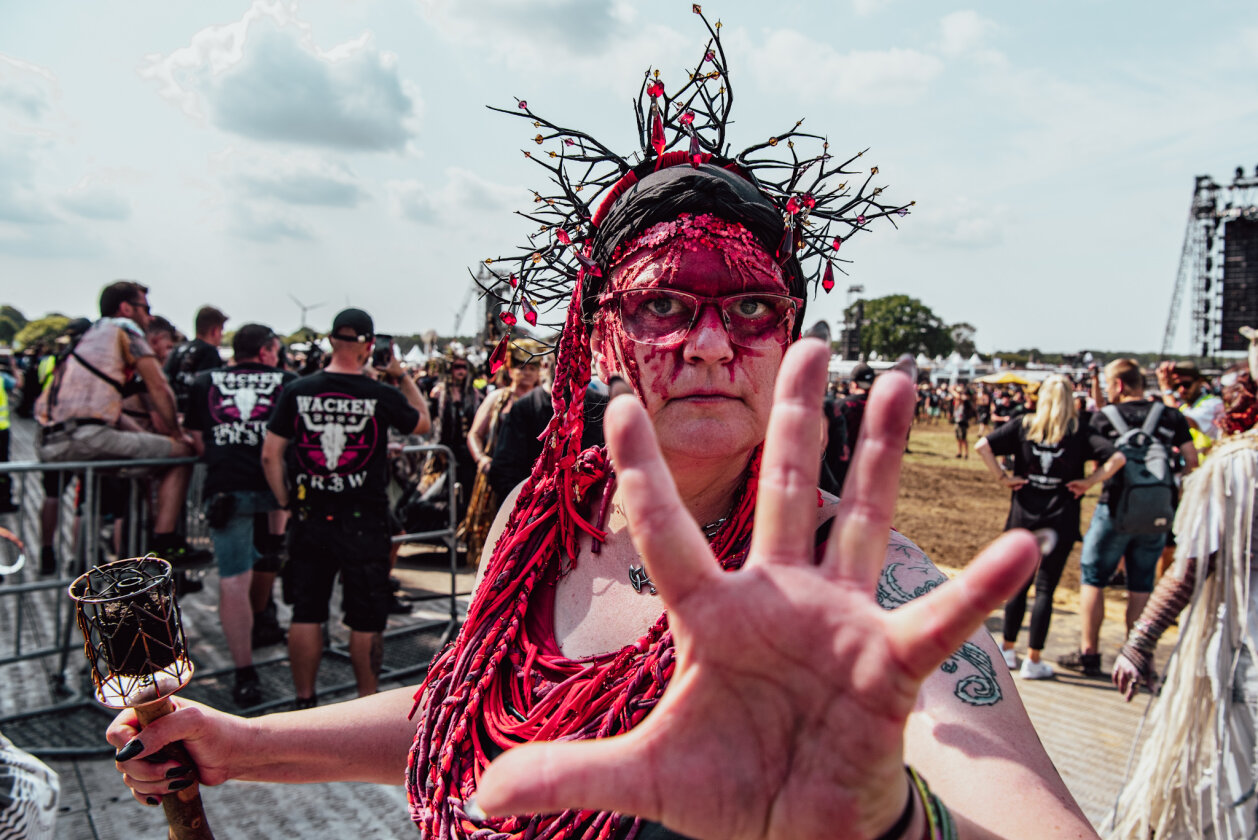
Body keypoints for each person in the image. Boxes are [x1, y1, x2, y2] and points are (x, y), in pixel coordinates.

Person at [107, 20, 1095, 840]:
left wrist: (890, 822)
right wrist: (243, 747)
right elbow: (471, 717)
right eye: (665, 304)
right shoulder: (540, 531)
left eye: (751, 308)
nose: (710, 345)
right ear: (601, 339)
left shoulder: (861, 593)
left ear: (792, 337)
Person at [1108, 361, 1258, 839]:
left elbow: (1191, 565)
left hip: (1245, 648)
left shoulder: (1238, 466)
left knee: (1236, 785)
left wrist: (1139, 641)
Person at [261, 308, 430, 706]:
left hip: (311, 517)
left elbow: (271, 455)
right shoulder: (380, 393)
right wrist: (401, 375)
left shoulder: (298, 391)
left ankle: (305, 701)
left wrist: (286, 500)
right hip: (364, 520)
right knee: (366, 618)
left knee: (307, 612)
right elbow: (422, 422)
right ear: (370, 345)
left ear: (332, 340)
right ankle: (365, 702)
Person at [34, 281, 207, 565]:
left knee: (148, 464)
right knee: (183, 454)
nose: (149, 317)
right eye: (145, 308)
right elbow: (159, 386)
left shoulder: (91, 336)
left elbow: (112, 410)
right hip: (85, 437)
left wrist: (153, 439)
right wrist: (178, 437)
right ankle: (164, 541)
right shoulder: (125, 329)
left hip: (53, 437)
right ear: (126, 308)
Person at [976, 374, 1126, 679]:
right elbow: (1117, 458)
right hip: (1061, 517)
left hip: (1024, 515)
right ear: (1070, 399)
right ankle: (1033, 658)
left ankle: (1007, 650)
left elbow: (983, 445)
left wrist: (1002, 478)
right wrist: (1088, 483)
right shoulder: (1077, 430)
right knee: (1046, 587)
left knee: (1018, 583)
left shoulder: (1024, 425)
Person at [1058, 358, 1197, 677]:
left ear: (1118, 385)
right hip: (1158, 514)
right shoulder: (1170, 415)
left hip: (1115, 508)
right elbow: (1191, 460)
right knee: (1141, 584)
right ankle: (1136, 655)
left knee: (1093, 578)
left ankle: (1089, 653)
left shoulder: (1103, 418)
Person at [185, 324, 296, 707]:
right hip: (274, 484)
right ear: (266, 351)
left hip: (226, 486)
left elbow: (198, 441)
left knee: (232, 580)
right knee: (272, 552)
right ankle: (264, 619)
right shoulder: (287, 380)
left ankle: (244, 672)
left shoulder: (204, 381)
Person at [459, 338, 544, 563]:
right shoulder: (497, 398)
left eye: (532, 368)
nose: (526, 373)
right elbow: (475, 434)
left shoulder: (544, 401)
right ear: (510, 369)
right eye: (521, 367)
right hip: (499, 476)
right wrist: (482, 460)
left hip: (534, 477)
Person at [164, 305, 227, 417]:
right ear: (214, 331)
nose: (221, 336)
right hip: (193, 417)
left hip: (171, 411)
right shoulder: (210, 352)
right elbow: (207, 390)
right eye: (221, 331)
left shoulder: (178, 349)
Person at [951, 385, 975, 459]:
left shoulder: (965, 400)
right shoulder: (959, 400)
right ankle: (959, 452)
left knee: (963, 438)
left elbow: (958, 397)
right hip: (958, 420)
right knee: (958, 438)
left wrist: (951, 389)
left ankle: (966, 453)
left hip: (963, 421)